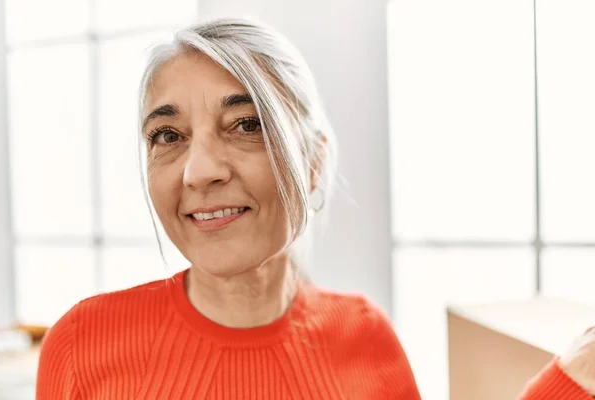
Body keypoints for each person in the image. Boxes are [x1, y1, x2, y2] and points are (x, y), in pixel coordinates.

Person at [36, 17, 595, 399]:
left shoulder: (366, 335)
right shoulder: (84, 346)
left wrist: (570, 379)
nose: (199, 170)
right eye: (167, 135)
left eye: (246, 124)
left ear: (314, 163)